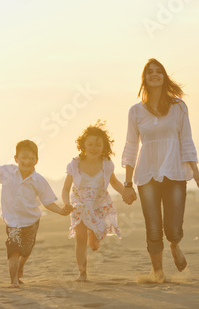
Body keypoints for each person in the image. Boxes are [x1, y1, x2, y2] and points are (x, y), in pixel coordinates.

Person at [121, 58, 199, 283]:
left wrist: (195, 170)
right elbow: (131, 146)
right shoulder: (135, 111)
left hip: (175, 173)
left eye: (159, 71)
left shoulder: (179, 107)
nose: (155, 75)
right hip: (146, 175)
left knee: (173, 226)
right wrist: (128, 183)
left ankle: (175, 245)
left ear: (164, 77)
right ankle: (157, 272)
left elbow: (186, 139)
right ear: (145, 79)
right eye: (150, 72)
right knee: (153, 226)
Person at [0, 140, 72, 288]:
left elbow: (48, 202)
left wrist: (62, 212)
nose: (27, 161)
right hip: (12, 222)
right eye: (24, 157)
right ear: (16, 158)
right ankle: (14, 282)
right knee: (14, 251)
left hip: (31, 222)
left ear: (36, 160)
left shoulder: (39, 181)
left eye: (31, 158)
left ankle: (20, 266)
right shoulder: (6, 172)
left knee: (26, 251)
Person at [62, 121, 125, 282]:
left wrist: (126, 193)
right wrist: (66, 203)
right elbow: (66, 189)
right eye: (90, 144)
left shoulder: (106, 164)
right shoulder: (74, 165)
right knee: (80, 236)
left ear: (104, 146)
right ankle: (82, 273)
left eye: (98, 144)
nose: (94, 148)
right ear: (83, 145)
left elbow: (115, 183)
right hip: (79, 204)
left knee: (95, 244)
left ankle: (94, 234)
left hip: (98, 204)